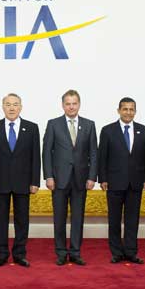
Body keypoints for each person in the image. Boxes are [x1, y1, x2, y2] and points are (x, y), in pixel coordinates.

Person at [0, 93, 41, 267]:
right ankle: (1, 254)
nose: (12, 108)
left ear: (21, 107)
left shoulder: (31, 128)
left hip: (23, 183)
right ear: (3, 107)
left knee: (22, 220)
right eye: (8, 104)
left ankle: (19, 253)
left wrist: (35, 181)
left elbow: (35, 157)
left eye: (15, 104)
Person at [42, 89, 97, 266]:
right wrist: (48, 176)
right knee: (59, 217)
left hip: (81, 179)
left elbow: (93, 154)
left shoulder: (89, 125)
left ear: (79, 104)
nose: (71, 107)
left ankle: (75, 252)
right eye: (68, 103)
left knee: (78, 217)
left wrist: (92, 177)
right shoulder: (53, 124)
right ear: (63, 105)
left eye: (74, 103)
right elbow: (47, 153)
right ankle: (60, 252)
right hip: (58, 179)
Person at [98, 97, 145, 264]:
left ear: (135, 111)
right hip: (114, 182)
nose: (128, 112)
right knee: (114, 219)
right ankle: (116, 252)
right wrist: (103, 178)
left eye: (131, 109)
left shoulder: (144, 130)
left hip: (135, 182)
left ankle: (131, 251)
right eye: (125, 109)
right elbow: (102, 157)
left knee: (132, 219)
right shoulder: (108, 130)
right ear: (119, 110)